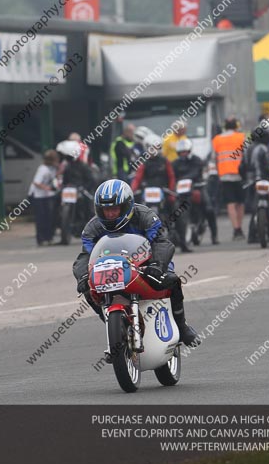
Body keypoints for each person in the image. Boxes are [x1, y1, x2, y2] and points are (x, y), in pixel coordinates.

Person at [72, 179, 200, 347]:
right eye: (105, 210)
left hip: (147, 264)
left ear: (126, 206)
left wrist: (157, 265)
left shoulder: (146, 216)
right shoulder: (92, 228)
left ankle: (182, 327)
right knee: (89, 290)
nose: (109, 214)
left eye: (114, 209)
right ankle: (114, 328)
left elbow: (161, 242)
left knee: (172, 280)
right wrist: (83, 276)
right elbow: (84, 256)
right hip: (111, 270)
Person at [172, 138, 219, 245]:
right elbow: (172, 176)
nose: (183, 154)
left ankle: (214, 236)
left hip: (197, 187)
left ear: (189, 151)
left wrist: (186, 179)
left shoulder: (197, 160)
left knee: (209, 209)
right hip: (181, 191)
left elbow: (196, 172)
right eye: (181, 152)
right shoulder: (175, 163)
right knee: (173, 208)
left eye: (185, 151)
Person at [212, 117, 247, 240]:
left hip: (224, 175)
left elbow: (214, 157)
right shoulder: (241, 137)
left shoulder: (216, 140)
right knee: (241, 203)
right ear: (236, 126)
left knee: (230, 203)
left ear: (224, 126)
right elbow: (247, 154)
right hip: (240, 174)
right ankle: (240, 227)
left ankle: (236, 229)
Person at [244, 119, 269, 243]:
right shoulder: (264, 148)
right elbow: (268, 166)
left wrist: (245, 178)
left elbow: (243, 166)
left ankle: (252, 235)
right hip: (264, 180)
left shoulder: (247, 149)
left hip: (251, 181)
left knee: (255, 207)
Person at [28, 150, 59, 246]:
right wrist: (48, 188)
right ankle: (41, 238)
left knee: (49, 217)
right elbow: (36, 182)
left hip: (47, 195)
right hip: (38, 195)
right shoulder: (43, 169)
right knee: (41, 217)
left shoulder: (53, 168)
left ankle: (48, 237)